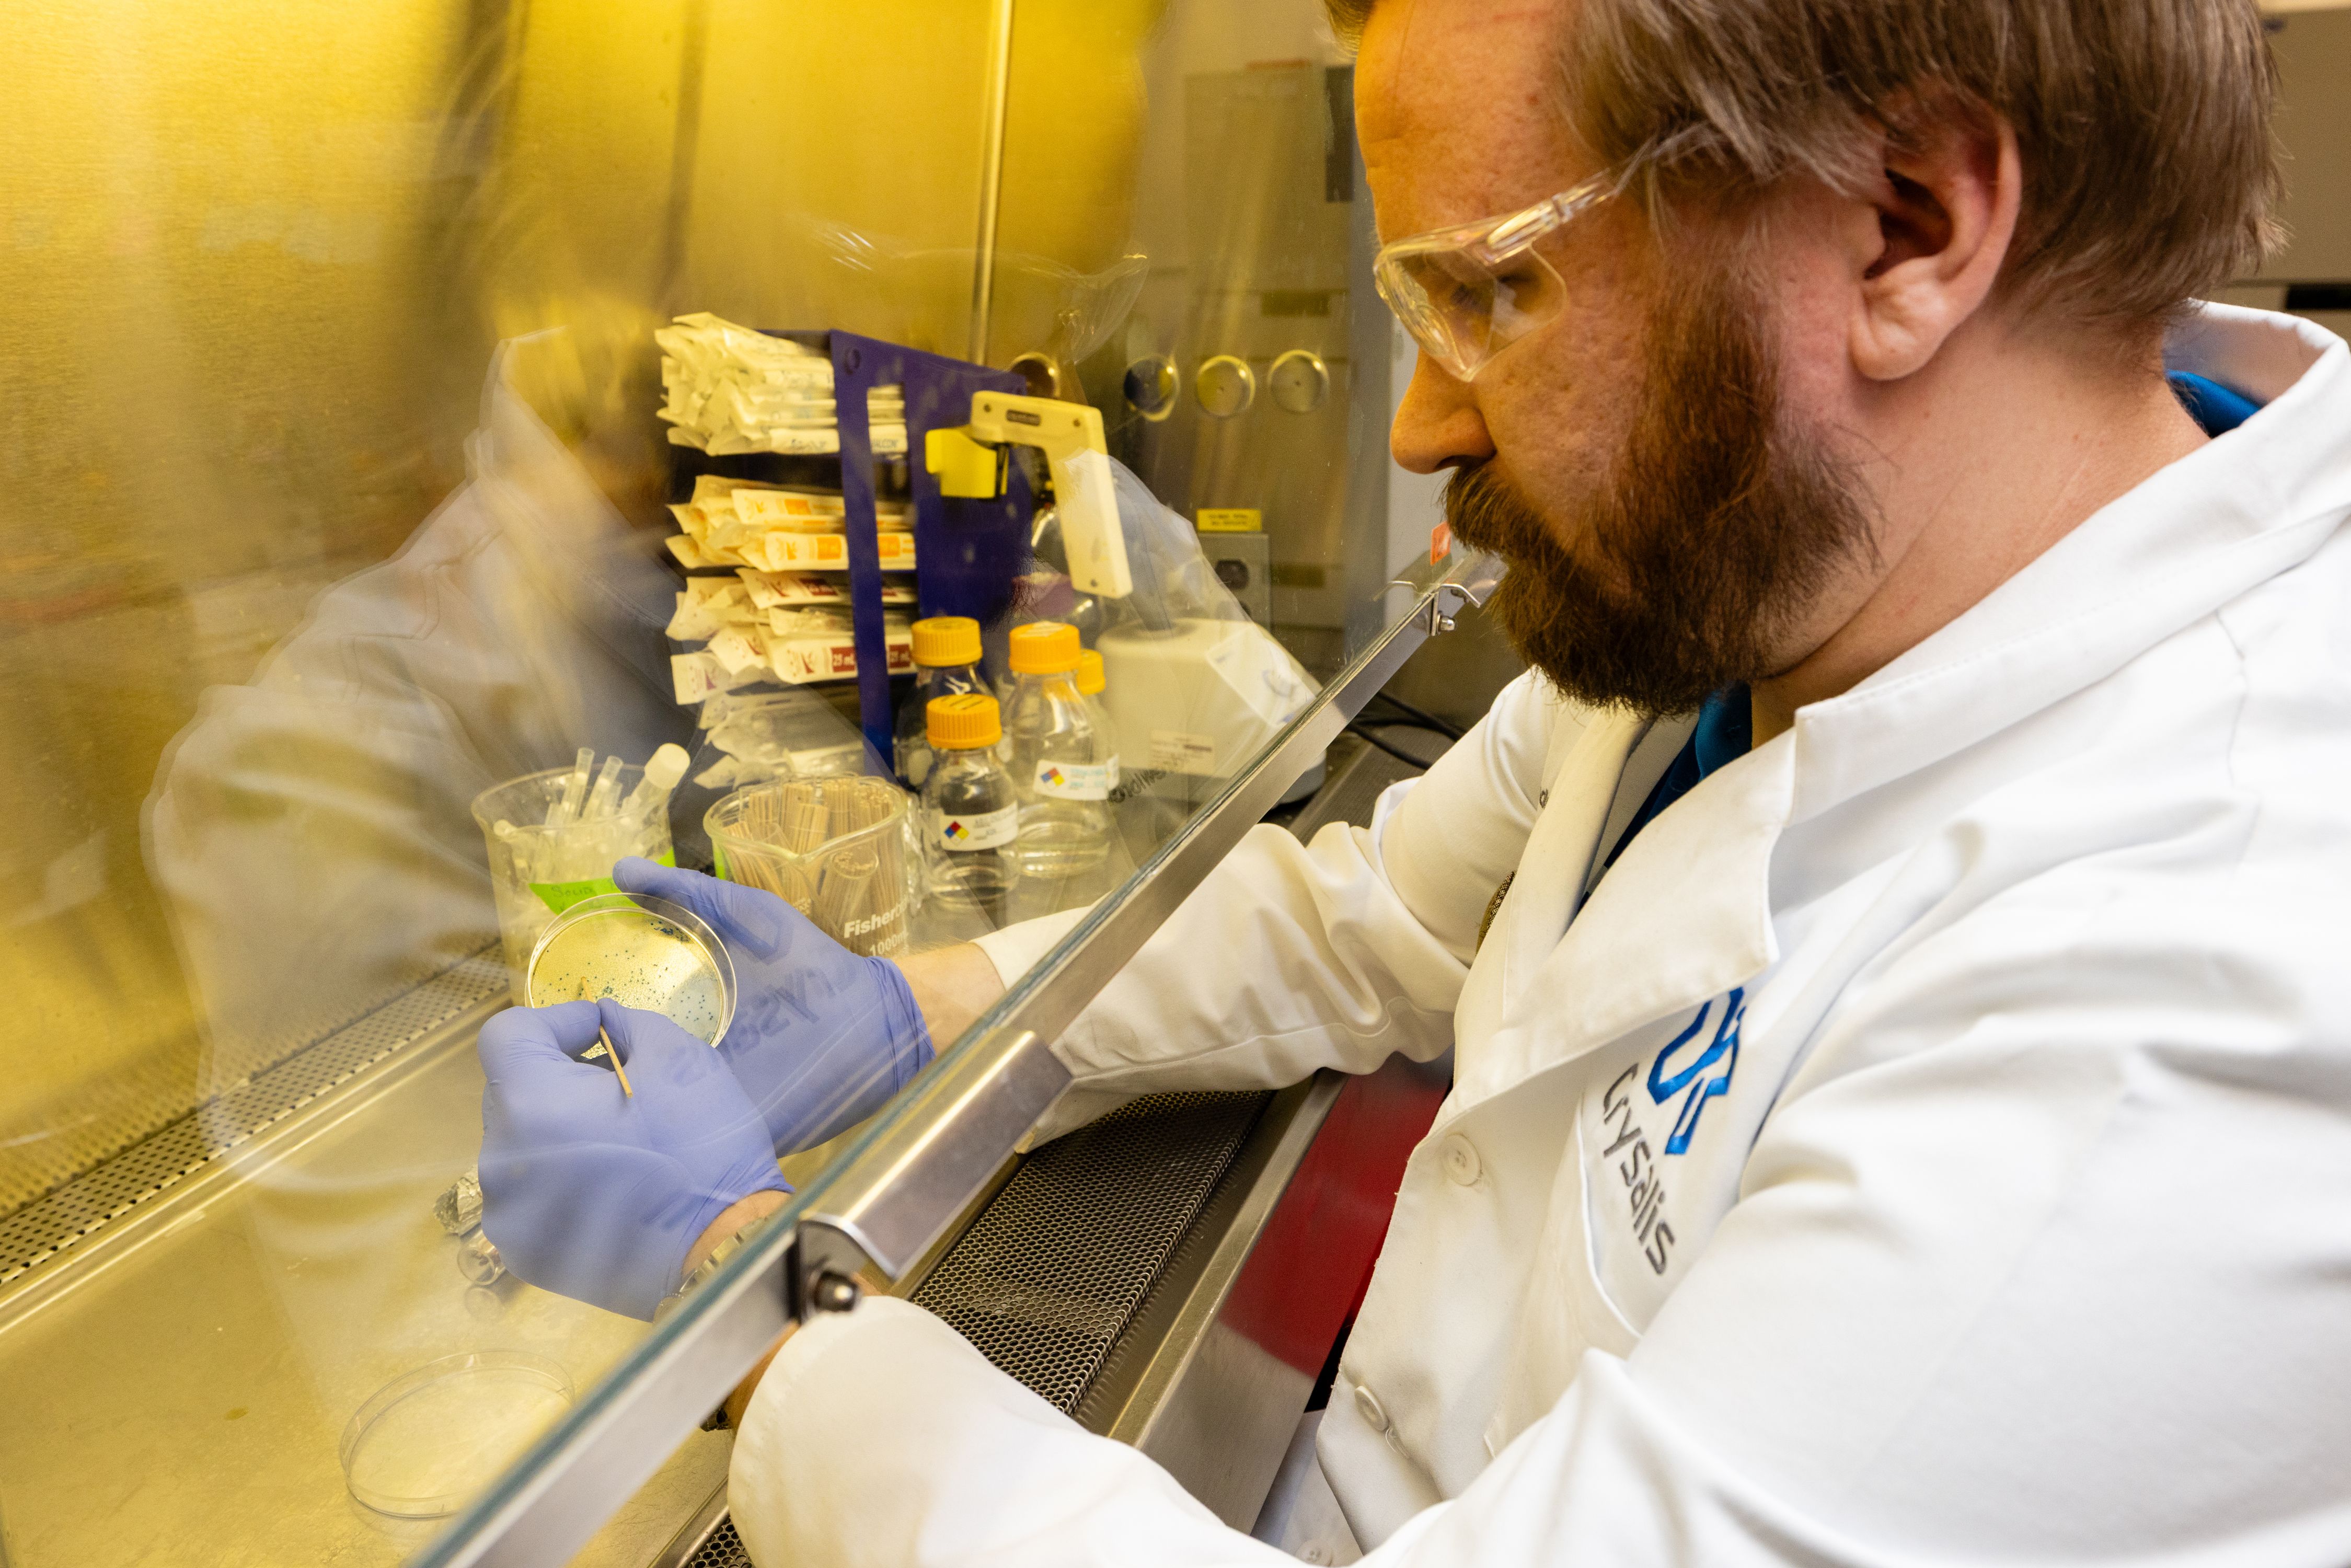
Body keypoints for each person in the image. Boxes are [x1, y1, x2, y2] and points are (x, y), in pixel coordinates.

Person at [477, 0, 2351, 1561]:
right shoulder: (1771, 612)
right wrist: (931, 1011)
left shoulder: (2188, 994)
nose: (1417, 421)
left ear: (1907, 226)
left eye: (1489, 293)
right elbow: (1376, 912)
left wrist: (751, 1301)